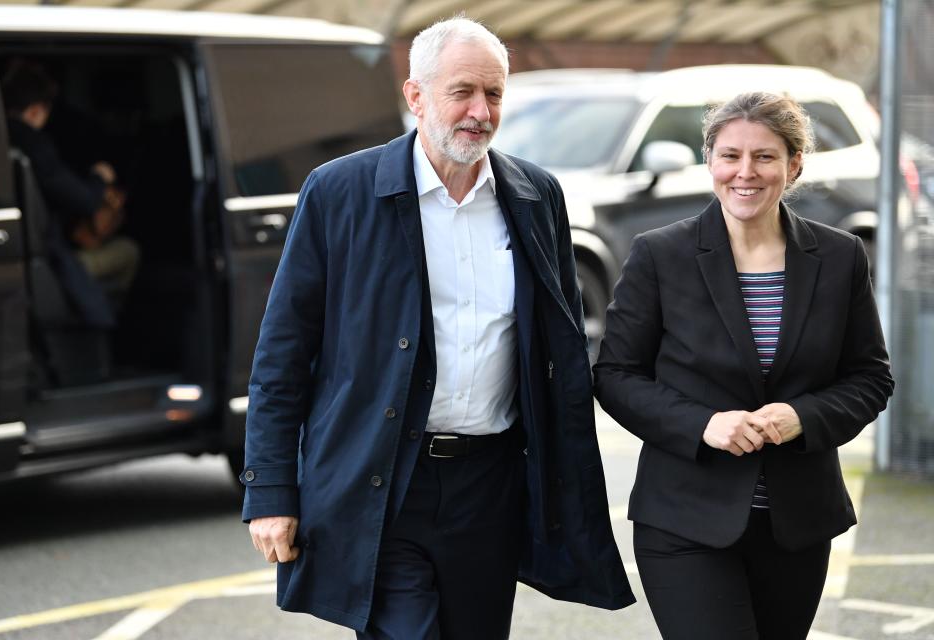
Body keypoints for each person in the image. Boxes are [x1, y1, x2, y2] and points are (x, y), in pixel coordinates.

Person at [241, 17, 635, 640]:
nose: (481, 111)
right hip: (384, 480)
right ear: (416, 96)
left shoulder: (536, 195)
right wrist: (269, 492)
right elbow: (282, 355)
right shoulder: (339, 193)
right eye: (463, 92)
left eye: (495, 94)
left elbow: (556, 348)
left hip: (490, 484)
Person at [593, 91, 895, 640]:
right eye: (730, 155)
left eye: (765, 156)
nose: (745, 172)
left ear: (794, 164)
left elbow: (870, 377)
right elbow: (615, 375)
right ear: (709, 160)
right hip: (685, 519)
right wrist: (703, 424)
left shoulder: (840, 256)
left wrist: (802, 416)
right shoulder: (660, 254)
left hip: (797, 524)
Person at [2, 61, 139, 306]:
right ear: (35, 110)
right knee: (129, 250)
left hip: (26, 250)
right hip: (50, 259)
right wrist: (99, 177)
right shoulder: (35, 145)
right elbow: (85, 202)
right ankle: (108, 324)